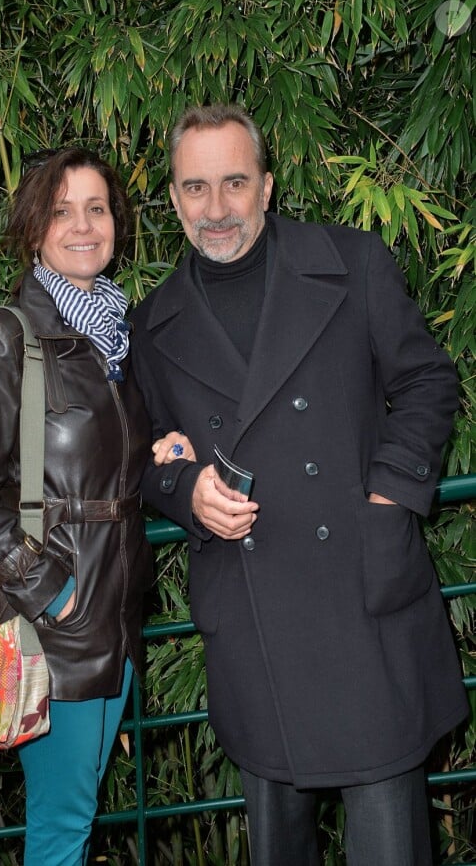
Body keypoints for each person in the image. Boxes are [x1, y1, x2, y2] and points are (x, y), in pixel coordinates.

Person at [131, 104, 469, 865]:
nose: (215, 209)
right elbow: (138, 452)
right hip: (255, 628)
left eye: (234, 182)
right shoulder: (154, 324)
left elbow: (427, 380)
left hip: (362, 595)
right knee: (279, 847)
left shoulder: (352, 263)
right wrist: (184, 489)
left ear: (268, 185)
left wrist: (389, 493)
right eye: (195, 187)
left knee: (390, 846)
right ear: (174, 198)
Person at [0, 147, 192, 866]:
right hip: (55, 628)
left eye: (97, 208)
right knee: (63, 827)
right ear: (33, 226)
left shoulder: (111, 339)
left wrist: (154, 451)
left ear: (117, 222)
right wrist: (51, 590)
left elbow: (93, 461)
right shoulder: (4, 337)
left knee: (75, 815)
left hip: (119, 618)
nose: (82, 225)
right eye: (62, 209)